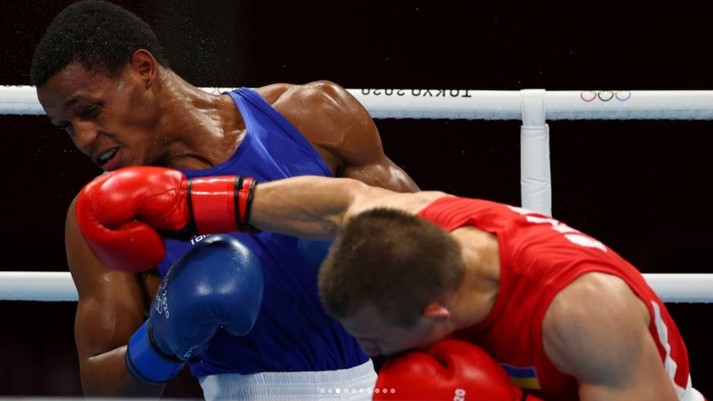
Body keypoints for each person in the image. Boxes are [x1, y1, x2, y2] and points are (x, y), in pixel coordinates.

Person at [30, 0, 419, 399]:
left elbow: (435, 244)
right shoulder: (105, 214)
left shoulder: (313, 116)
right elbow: (101, 388)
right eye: (66, 127)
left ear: (143, 69)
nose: (83, 138)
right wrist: (161, 342)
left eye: (90, 109)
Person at [74, 168, 706, 401]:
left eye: (374, 343)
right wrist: (195, 203)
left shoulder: (584, 315)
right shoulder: (426, 225)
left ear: (436, 314)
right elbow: (341, 204)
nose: (372, 358)